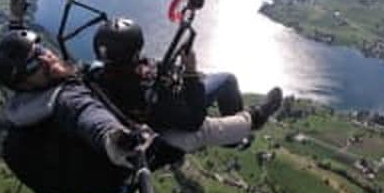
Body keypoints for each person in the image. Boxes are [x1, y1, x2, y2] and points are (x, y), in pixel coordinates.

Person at [0, 29, 282, 193]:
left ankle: (243, 130)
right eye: (33, 64)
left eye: (40, 48)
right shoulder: (63, 98)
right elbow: (88, 117)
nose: (46, 57)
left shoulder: (25, 102)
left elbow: (29, 72)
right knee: (198, 132)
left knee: (188, 127)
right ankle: (252, 121)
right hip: (122, 166)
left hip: (108, 162)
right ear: (24, 83)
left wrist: (16, 20)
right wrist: (117, 140)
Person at [90, 17, 280, 135]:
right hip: (172, 113)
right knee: (228, 80)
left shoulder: (97, 76)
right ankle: (243, 131)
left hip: (148, 108)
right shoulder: (147, 90)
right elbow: (193, 120)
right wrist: (190, 71)